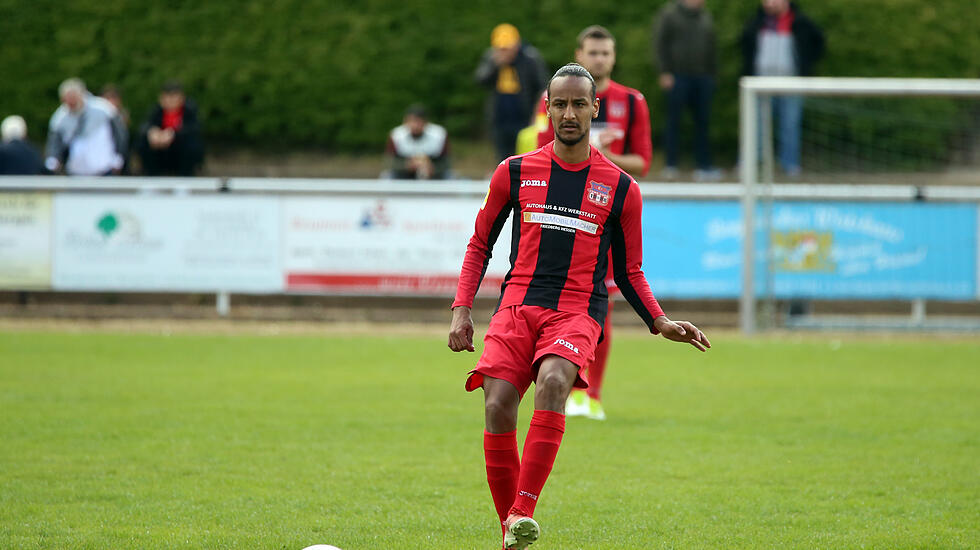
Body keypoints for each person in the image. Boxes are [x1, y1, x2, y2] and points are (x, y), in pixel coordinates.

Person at [448, 63, 710, 550]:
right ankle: (511, 535)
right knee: (498, 405)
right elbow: (479, 242)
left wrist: (660, 321)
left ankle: (520, 514)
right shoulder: (515, 171)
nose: (569, 113)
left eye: (579, 104)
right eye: (560, 103)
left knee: (553, 381)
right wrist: (462, 308)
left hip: (577, 311)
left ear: (595, 109)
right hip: (517, 305)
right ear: (547, 108)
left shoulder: (622, 188)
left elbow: (630, 271)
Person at [535, 25, 653, 420]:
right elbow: (541, 153)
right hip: (560, 209)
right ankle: (555, 382)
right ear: (580, 53)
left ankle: (592, 395)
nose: (599, 59)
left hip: (607, 211)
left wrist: (599, 157)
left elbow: (643, 163)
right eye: (593, 52)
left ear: (614, 57)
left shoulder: (633, 102)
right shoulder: (550, 98)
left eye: (606, 53)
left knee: (601, 303)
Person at [741, 0, 825, 177]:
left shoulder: (800, 22)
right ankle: (752, 164)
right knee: (756, 125)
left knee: (790, 124)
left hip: (790, 81)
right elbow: (745, 44)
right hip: (761, 82)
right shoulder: (757, 22)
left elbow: (819, 43)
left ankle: (790, 165)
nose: (769, 4)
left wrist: (806, 65)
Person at [654, 0, 722, 181]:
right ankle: (671, 165)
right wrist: (664, 72)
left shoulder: (705, 17)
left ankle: (704, 166)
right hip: (677, 77)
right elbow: (660, 44)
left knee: (703, 123)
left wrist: (712, 76)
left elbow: (712, 47)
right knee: (673, 122)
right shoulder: (669, 14)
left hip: (702, 78)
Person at [475, 23, 549, 163]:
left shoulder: (530, 58)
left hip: (524, 117)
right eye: (500, 48)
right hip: (500, 118)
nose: (504, 52)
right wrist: (496, 65)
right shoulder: (492, 57)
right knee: (503, 157)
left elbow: (542, 87)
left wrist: (537, 114)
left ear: (517, 44)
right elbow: (481, 80)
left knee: (525, 156)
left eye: (507, 48)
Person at [44, 78, 127, 176]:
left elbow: (119, 134)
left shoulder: (103, 109)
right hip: (76, 171)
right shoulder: (60, 118)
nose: (71, 103)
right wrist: (53, 160)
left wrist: (118, 157)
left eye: (73, 99)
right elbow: (54, 142)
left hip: (104, 169)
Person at [137, 80, 204, 176]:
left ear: (181, 98)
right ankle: (151, 176)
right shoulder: (156, 111)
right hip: (160, 152)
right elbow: (145, 125)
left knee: (192, 145)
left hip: (180, 153)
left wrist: (173, 134)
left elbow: (194, 128)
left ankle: (185, 177)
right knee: (143, 142)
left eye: (174, 97)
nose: (170, 101)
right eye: (167, 96)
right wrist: (152, 132)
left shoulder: (190, 110)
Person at [383, 104, 450, 179]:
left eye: (418, 121)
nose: (414, 125)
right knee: (387, 176)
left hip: (434, 173)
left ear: (426, 122)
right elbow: (389, 162)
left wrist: (433, 168)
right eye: (411, 121)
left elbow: (447, 162)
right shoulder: (396, 135)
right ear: (405, 121)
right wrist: (406, 165)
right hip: (403, 174)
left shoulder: (439, 134)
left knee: (449, 176)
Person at [100, 84, 132, 174]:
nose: (110, 102)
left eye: (113, 98)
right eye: (107, 98)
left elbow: (122, 142)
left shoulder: (121, 117)